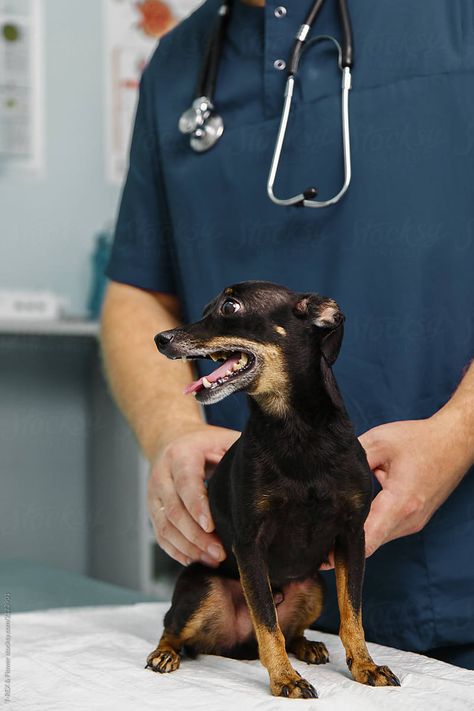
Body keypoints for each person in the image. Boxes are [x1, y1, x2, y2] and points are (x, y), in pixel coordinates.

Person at [100, 0, 474, 668]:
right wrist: (172, 429)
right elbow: (138, 291)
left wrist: (458, 432)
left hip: (454, 585)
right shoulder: (178, 64)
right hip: (248, 614)